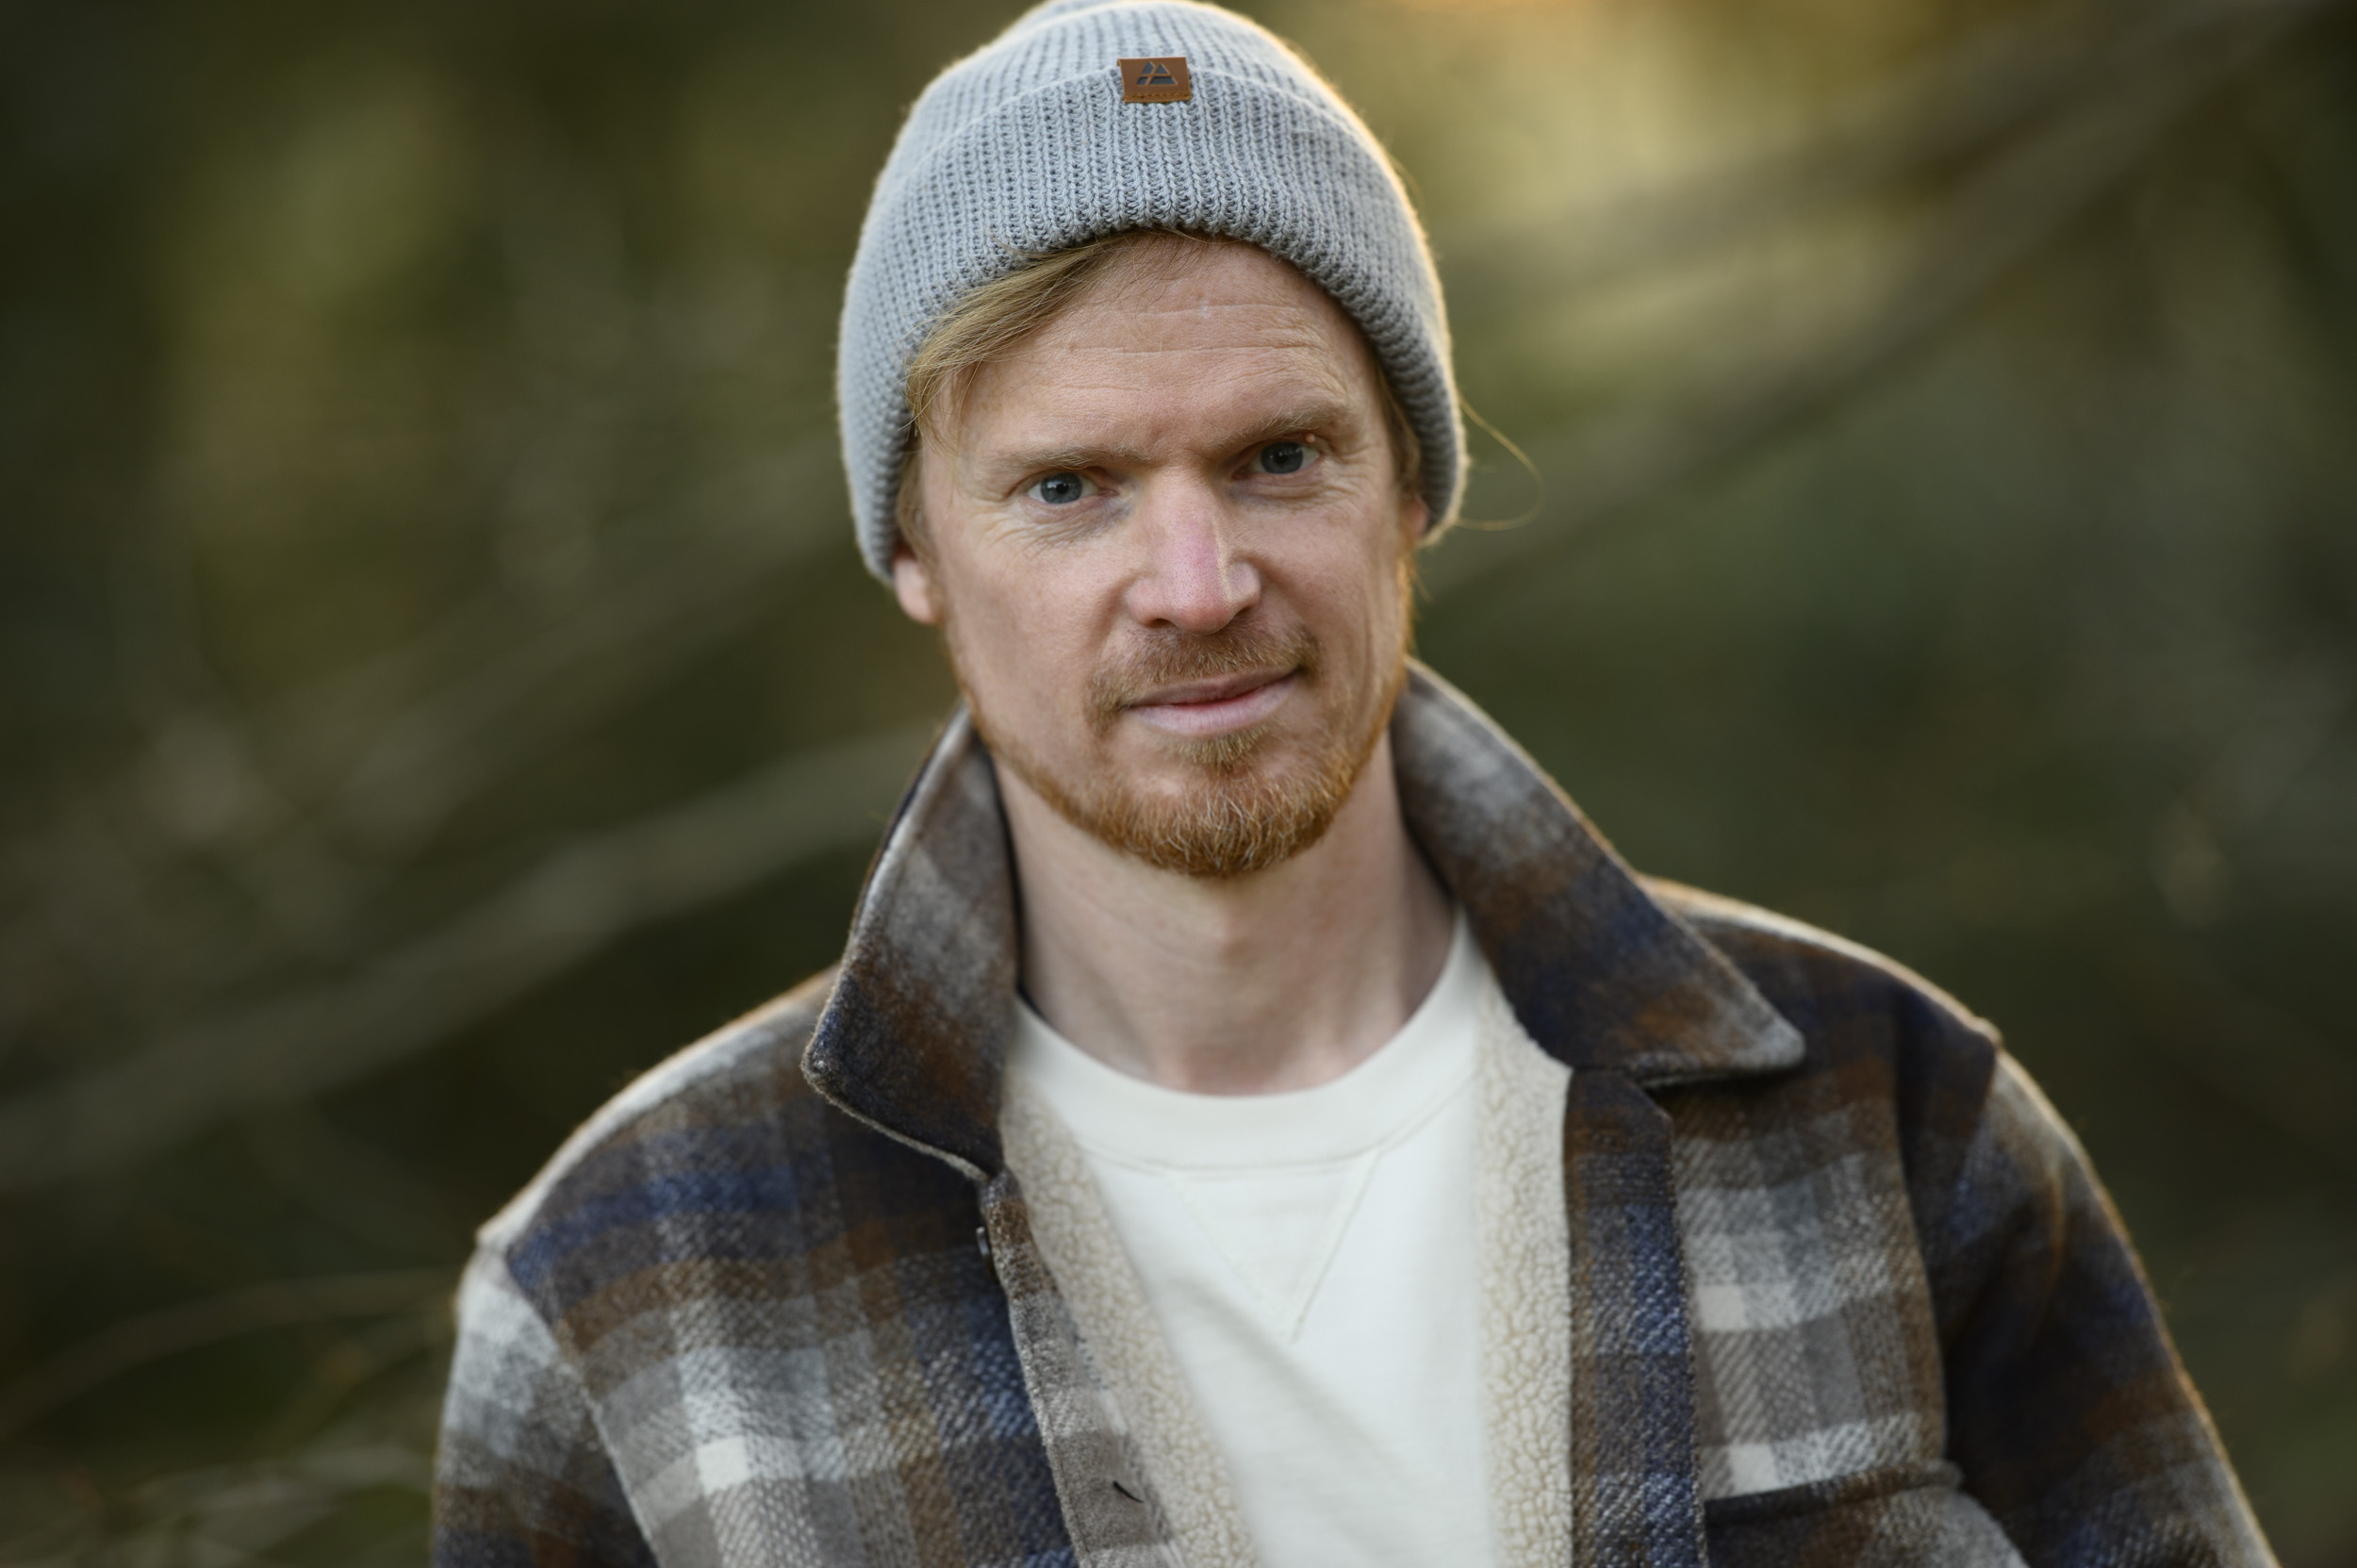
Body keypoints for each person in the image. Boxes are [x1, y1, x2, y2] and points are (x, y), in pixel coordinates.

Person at [432, 3, 2274, 1564]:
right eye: (1067, 487)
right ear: (912, 548)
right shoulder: (621, 1286)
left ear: (1410, 488)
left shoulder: (1895, 1127)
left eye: (1277, 455)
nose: (1194, 581)